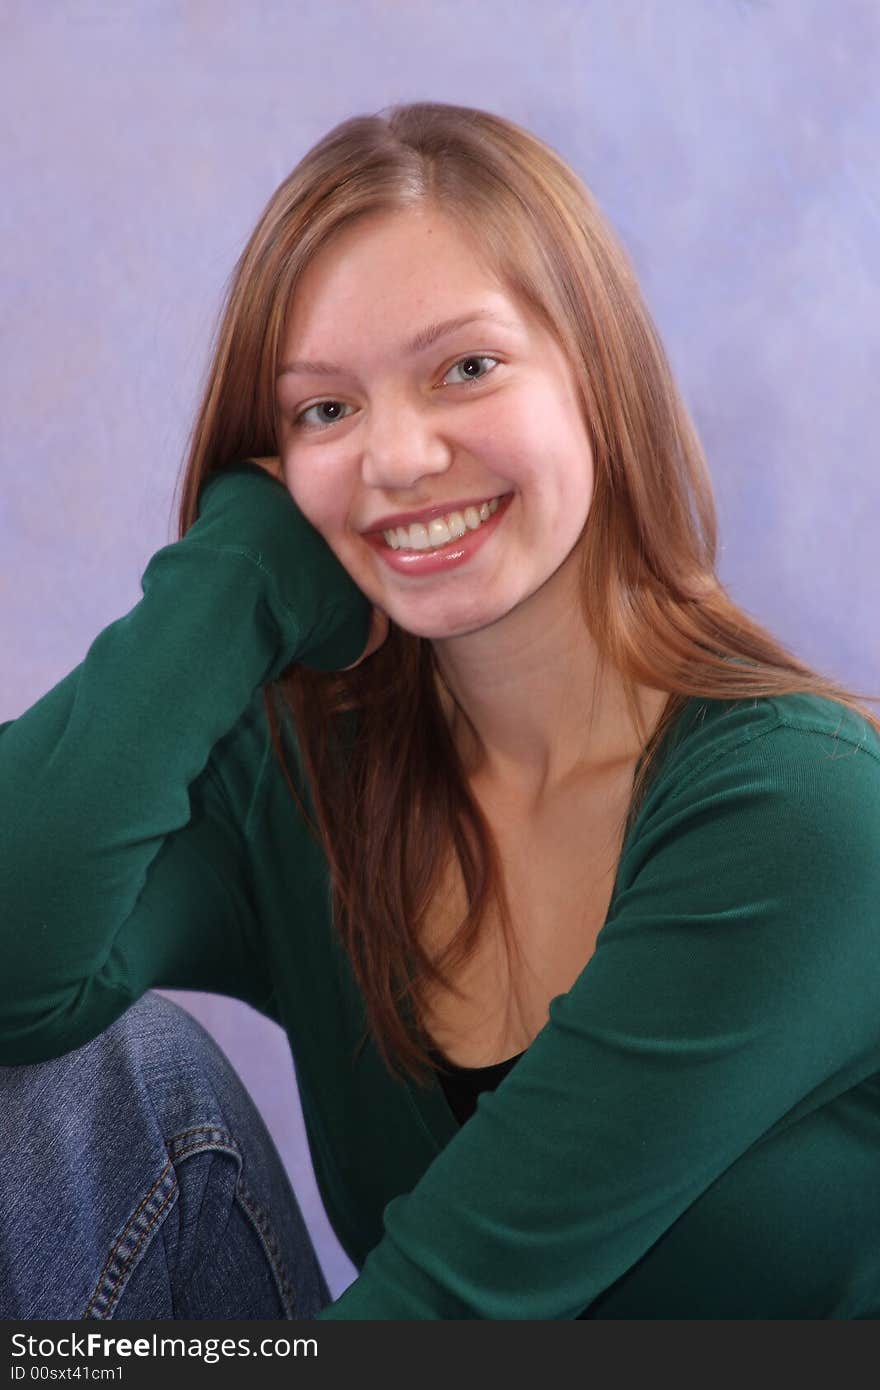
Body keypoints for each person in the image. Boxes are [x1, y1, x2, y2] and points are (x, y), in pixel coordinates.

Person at [2, 100, 879, 1321]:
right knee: (67, 1084)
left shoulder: (807, 813)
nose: (397, 458)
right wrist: (236, 576)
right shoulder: (309, 776)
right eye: (325, 409)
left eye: (465, 367)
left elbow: (443, 1319)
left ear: (597, 376)